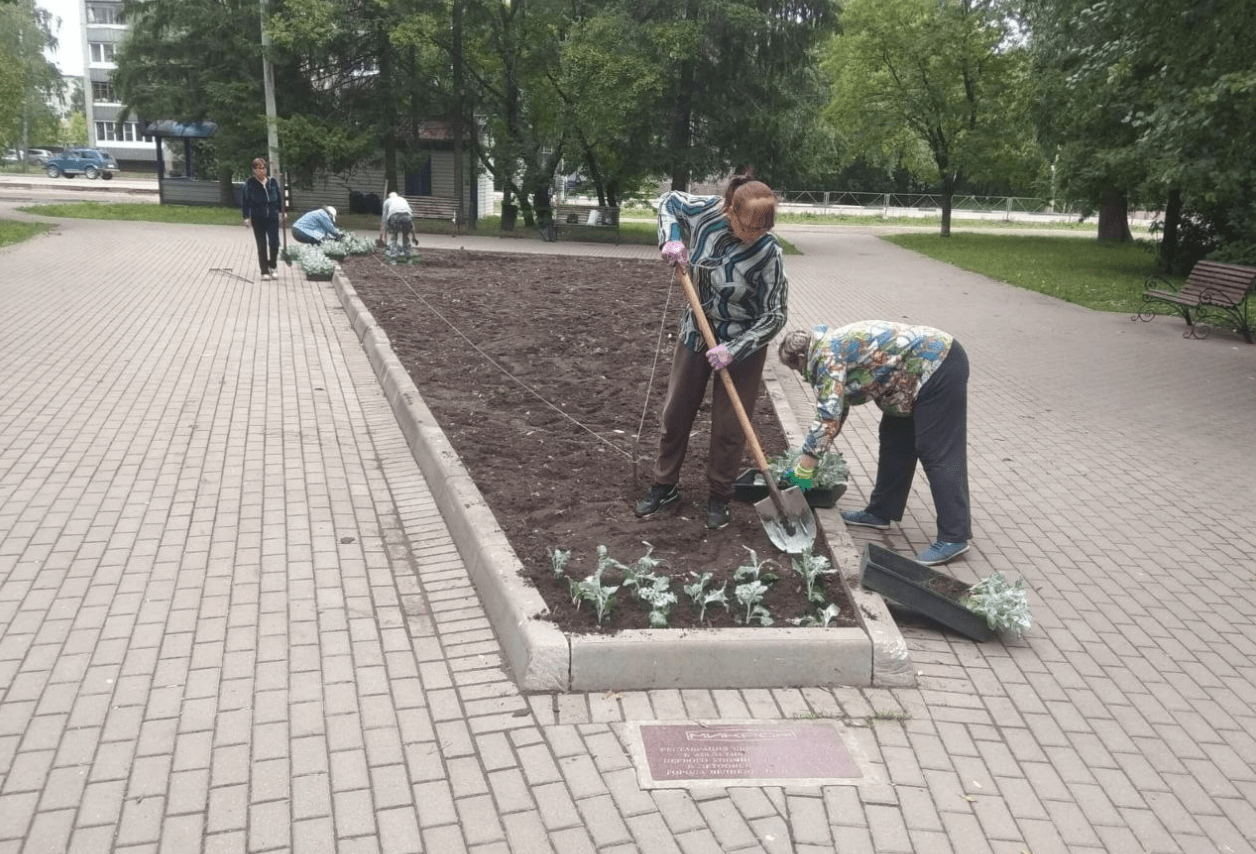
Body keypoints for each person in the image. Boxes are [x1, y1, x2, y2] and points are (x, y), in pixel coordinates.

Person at [635, 172, 789, 531]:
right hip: (697, 328)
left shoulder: (769, 252)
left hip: (744, 341)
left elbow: (776, 314)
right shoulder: (706, 213)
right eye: (747, 227)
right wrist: (671, 239)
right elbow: (669, 202)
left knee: (729, 426)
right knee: (676, 412)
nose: (753, 236)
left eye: (761, 230)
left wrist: (734, 349)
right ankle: (664, 485)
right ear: (730, 211)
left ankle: (719, 496)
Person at [776, 322, 972, 566]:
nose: (801, 375)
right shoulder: (829, 347)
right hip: (905, 382)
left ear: (803, 356)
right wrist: (813, 455)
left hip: (939, 364)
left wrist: (804, 470)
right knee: (894, 440)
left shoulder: (826, 356)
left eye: (796, 367)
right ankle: (881, 511)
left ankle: (955, 536)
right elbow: (837, 412)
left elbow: (828, 417)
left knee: (936, 450)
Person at [241, 157, 283, 280]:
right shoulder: (249, 184)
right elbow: (245, 201)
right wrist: (246, 217)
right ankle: (264, 270)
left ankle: (273, 266)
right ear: (253, 170)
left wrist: (281, 212)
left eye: (263, 168)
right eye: (258, 168)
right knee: (262, 244)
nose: (261, 171)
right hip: (257, 217)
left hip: (272, 216)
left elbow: (279, 198)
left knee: (274, 243)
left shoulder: (272, 182)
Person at [380, 192, 414, 261]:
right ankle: (409, 258)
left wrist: (386, 227)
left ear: (389, 197)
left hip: (395, 216)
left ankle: (393, 259)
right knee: (405, 236)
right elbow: (410, 213)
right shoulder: (403, 199)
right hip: (407, 216)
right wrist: (414, 235)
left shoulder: (387, 201)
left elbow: (384, 216)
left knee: (394, 237)